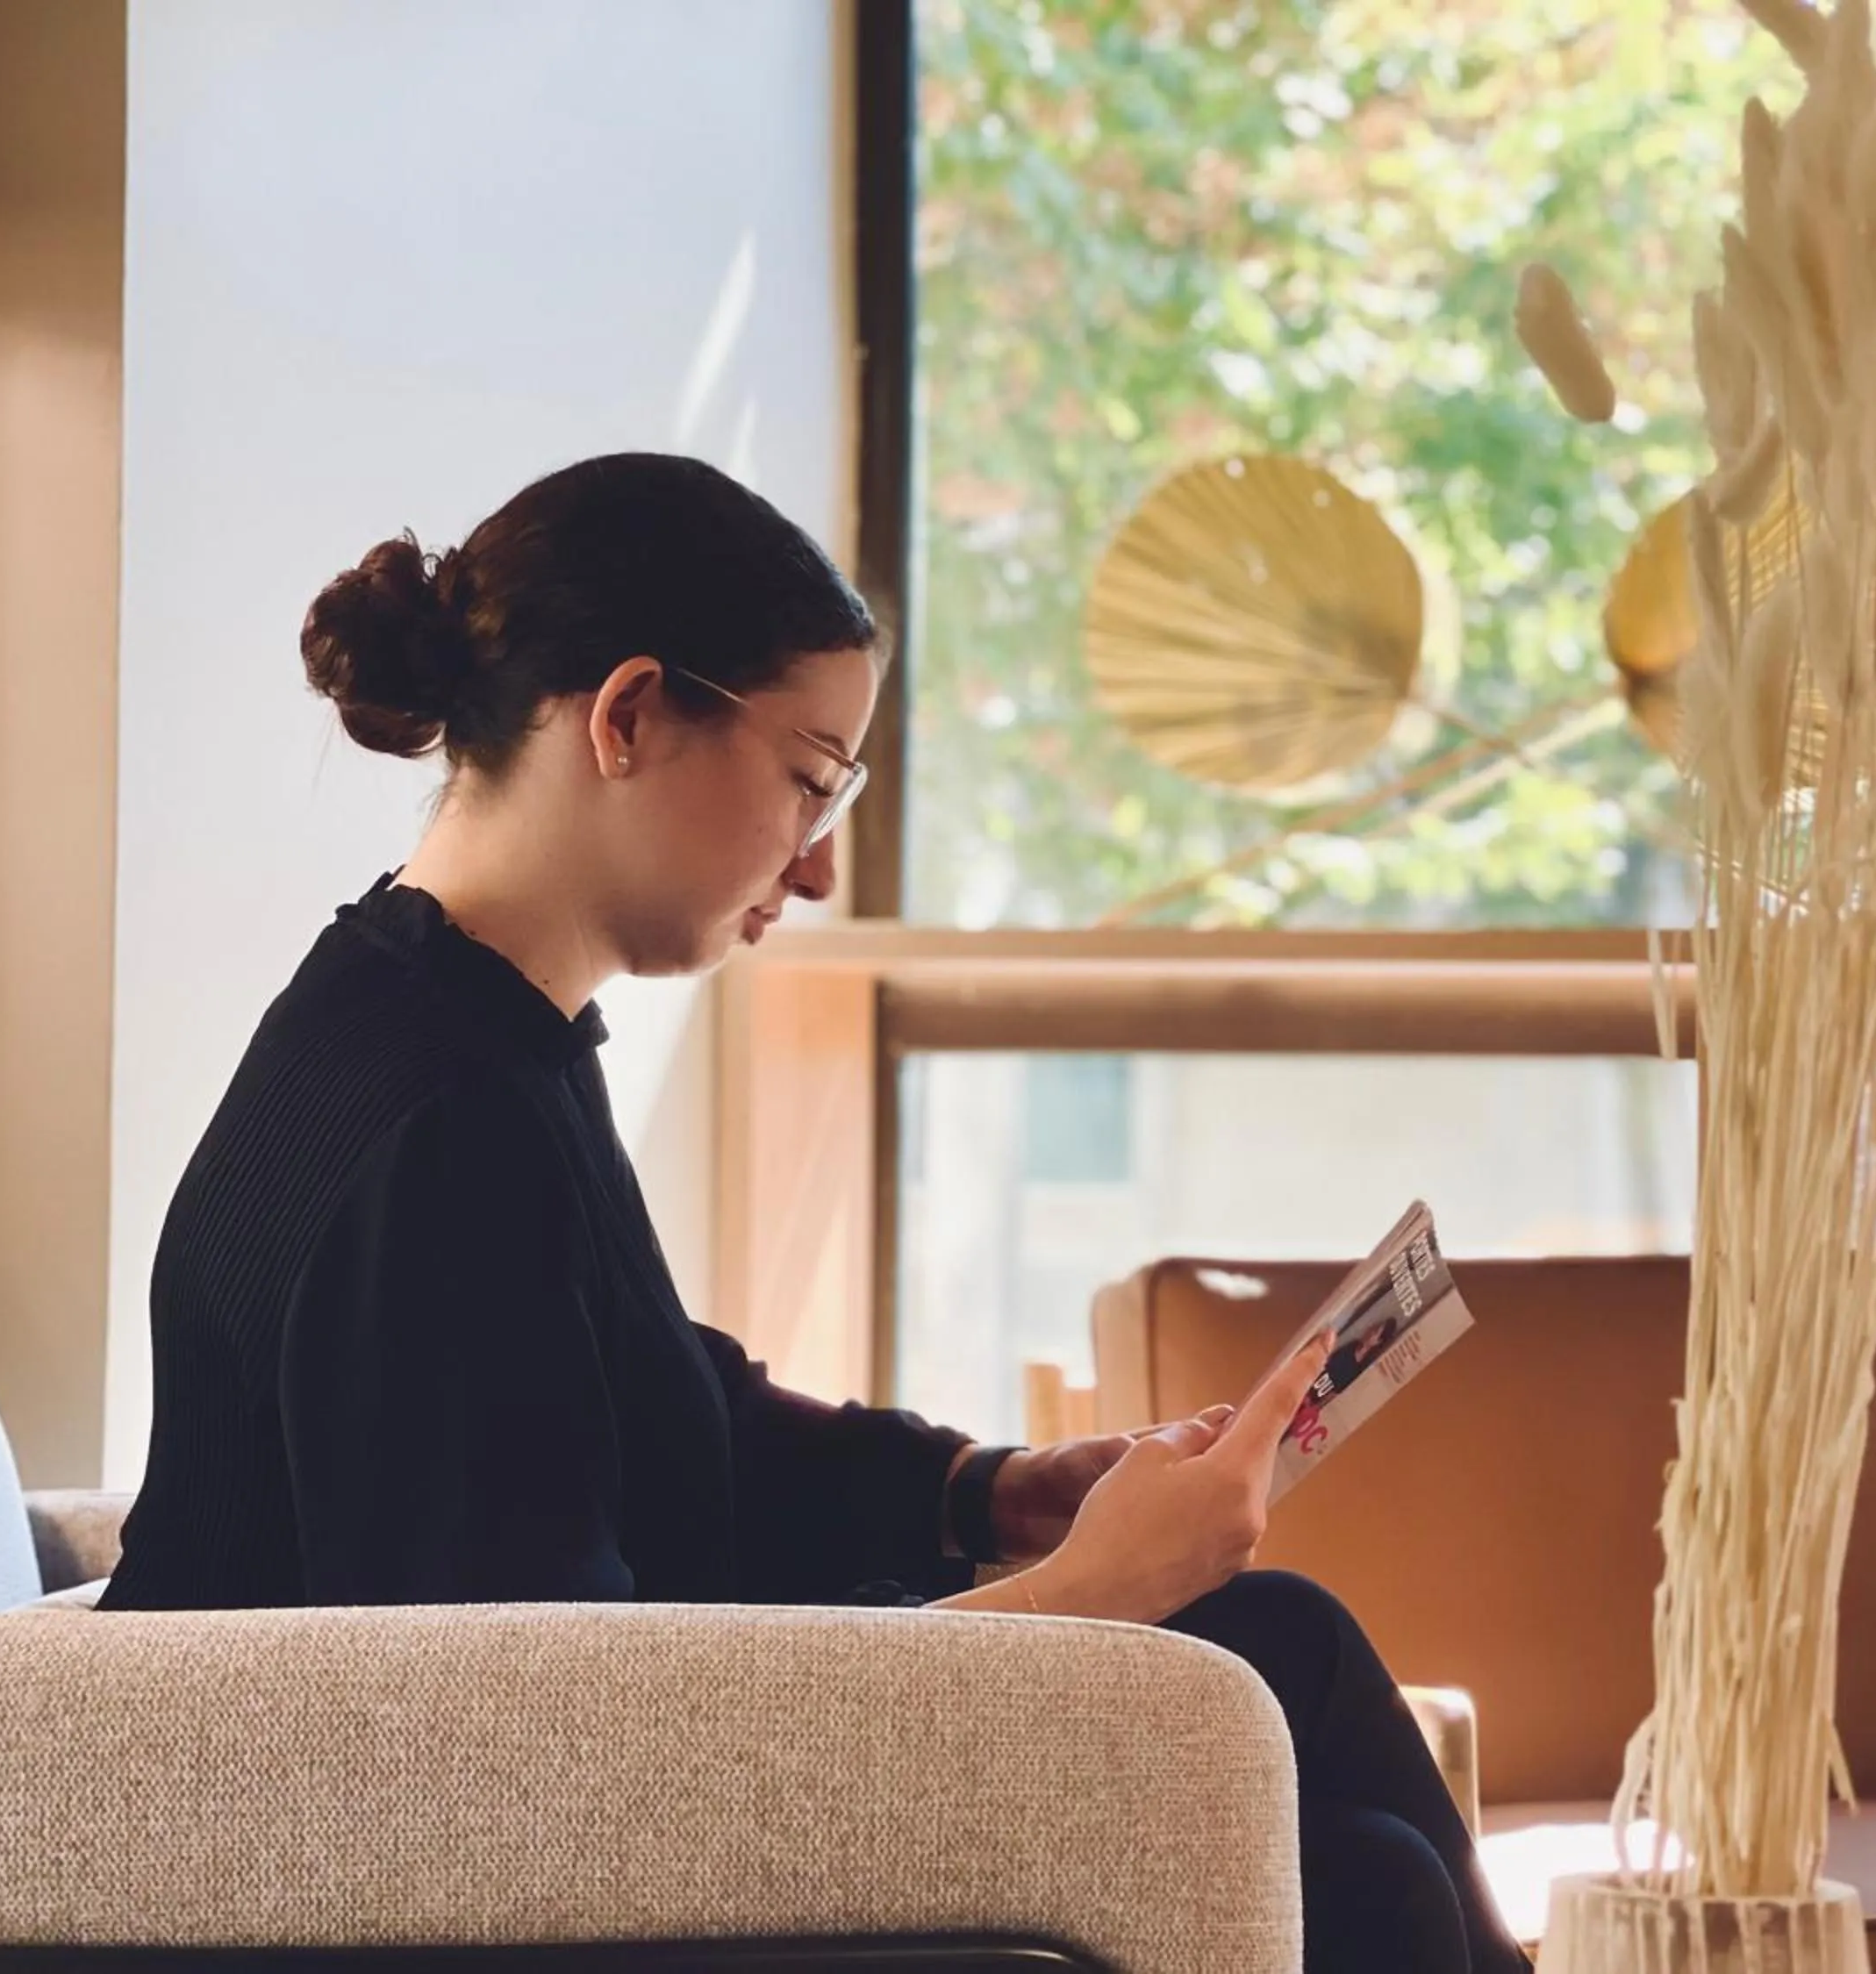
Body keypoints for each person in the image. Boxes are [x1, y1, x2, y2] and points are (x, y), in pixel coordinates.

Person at [100, 453, 1528, 1974]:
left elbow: (650, 1413)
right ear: (630, 715)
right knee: (1365, 1875)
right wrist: (1089, 1596)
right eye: (809, 778)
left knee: (1298, 1675)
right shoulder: (435, 1123)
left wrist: (989, 1490)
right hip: (461, 1893)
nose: (826, 861)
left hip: (569, 1785)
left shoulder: (456, 1025)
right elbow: (533, 1760)